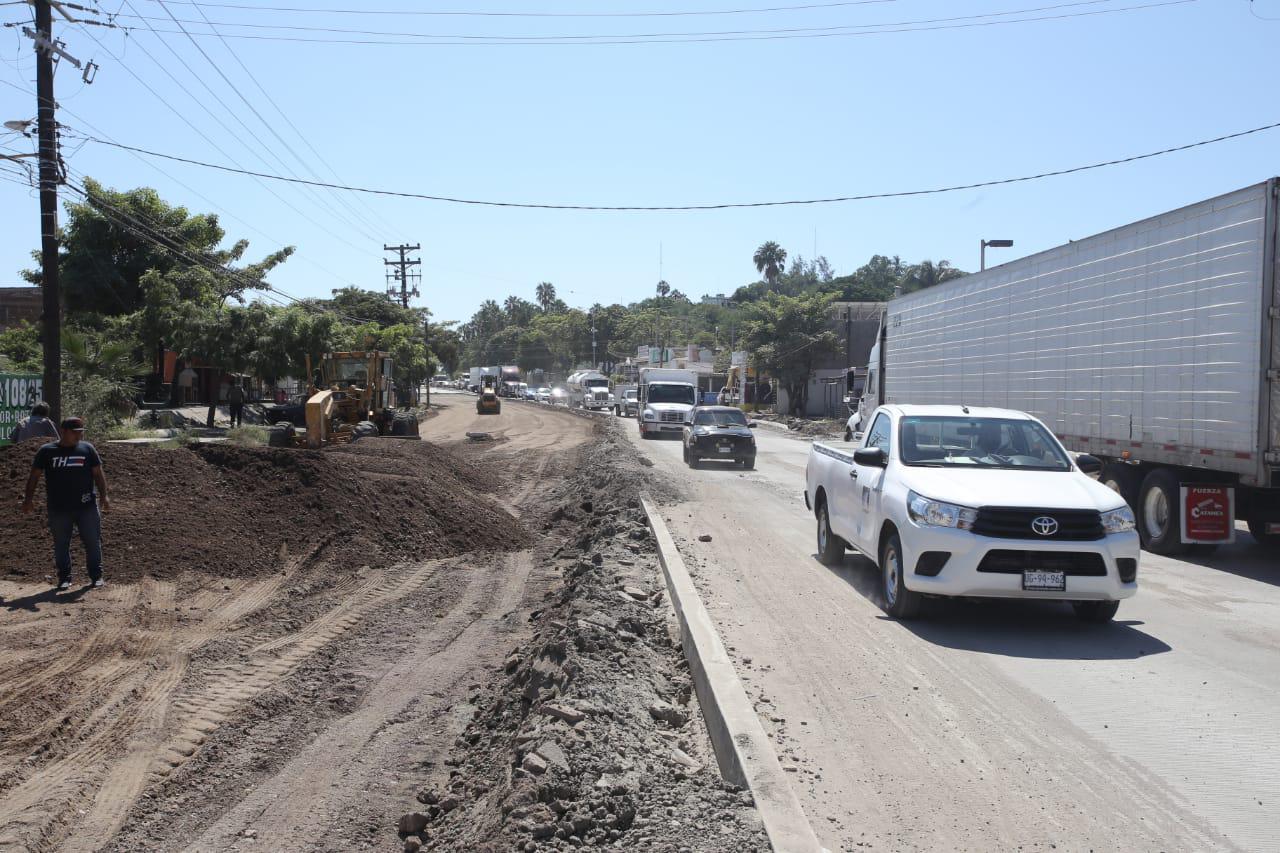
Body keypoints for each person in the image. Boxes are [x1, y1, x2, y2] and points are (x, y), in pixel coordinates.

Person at [21, 417, 110, 590]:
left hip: (87, 506)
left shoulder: (87, 449)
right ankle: (64, 578)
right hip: (58, 508)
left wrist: (104, 496)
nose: (79, 436)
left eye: (81, 433)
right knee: (61, 543)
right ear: (63, 431)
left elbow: (98, 474)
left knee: (93, 541)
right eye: (75, 433)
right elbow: (34, 476)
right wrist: (28, 499)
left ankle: (96, 576)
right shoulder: (47, 451)